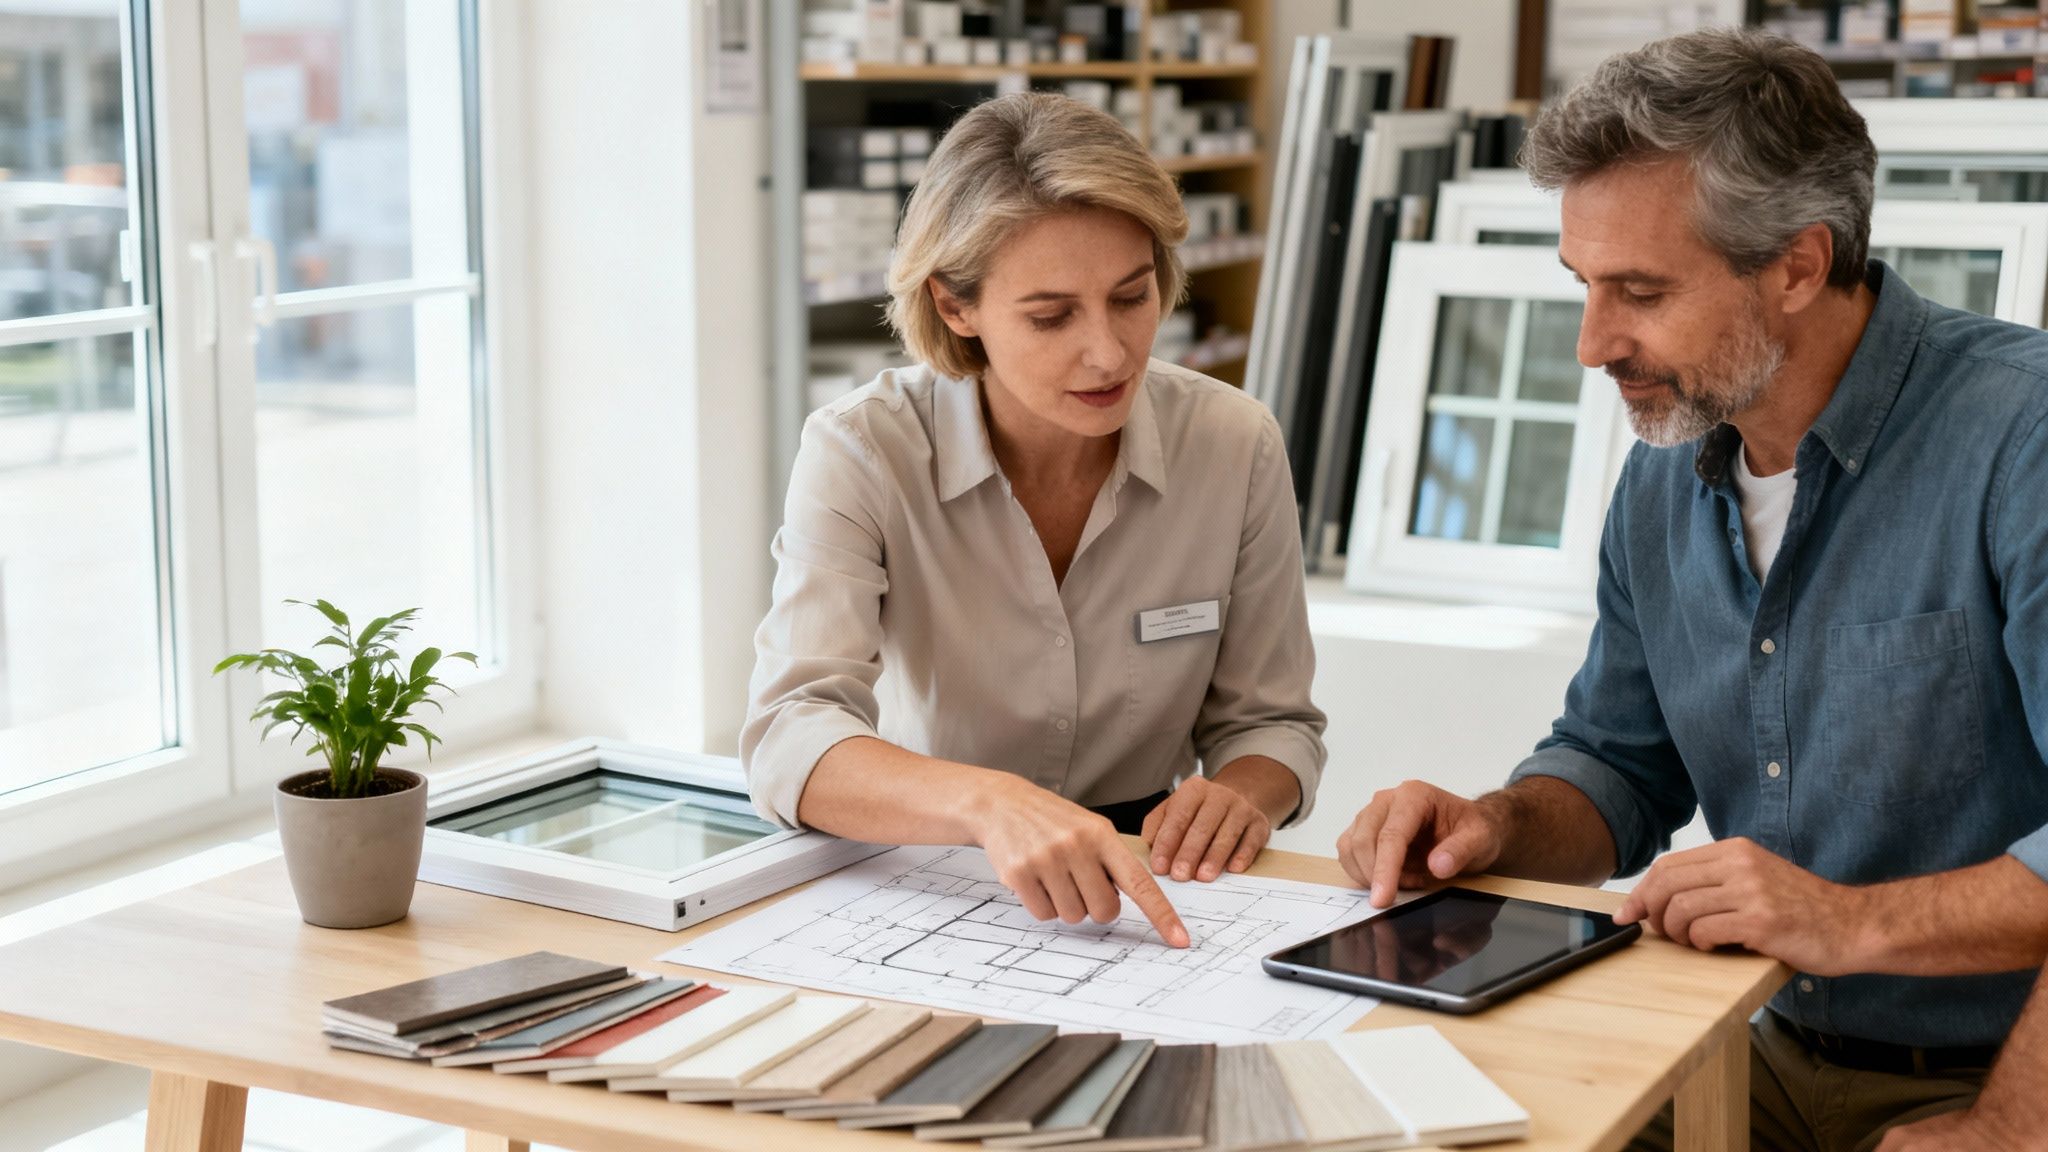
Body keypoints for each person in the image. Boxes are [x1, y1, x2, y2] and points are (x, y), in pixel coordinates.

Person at [1336, 28, 2048, 1151]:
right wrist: (1493, 825)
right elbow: (1618, 765)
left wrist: (2005, 1122)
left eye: (1639, 291)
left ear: (1798, 264)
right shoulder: (1664, 477)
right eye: (1581, 285)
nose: (1588, 344)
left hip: (2003, 1072)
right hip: (1748, 1042)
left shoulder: (2021, 440)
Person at [743, 92, 1326, 949]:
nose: (1109, 352)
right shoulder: (863, 451)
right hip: (931, 864)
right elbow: (792, 734)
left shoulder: (1234, 444)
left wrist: (1242, 793)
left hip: (1150, 878)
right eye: (1051, 316)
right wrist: (987, 804)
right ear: (955, 307)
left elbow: (1273, 722)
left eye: (1131, 297)